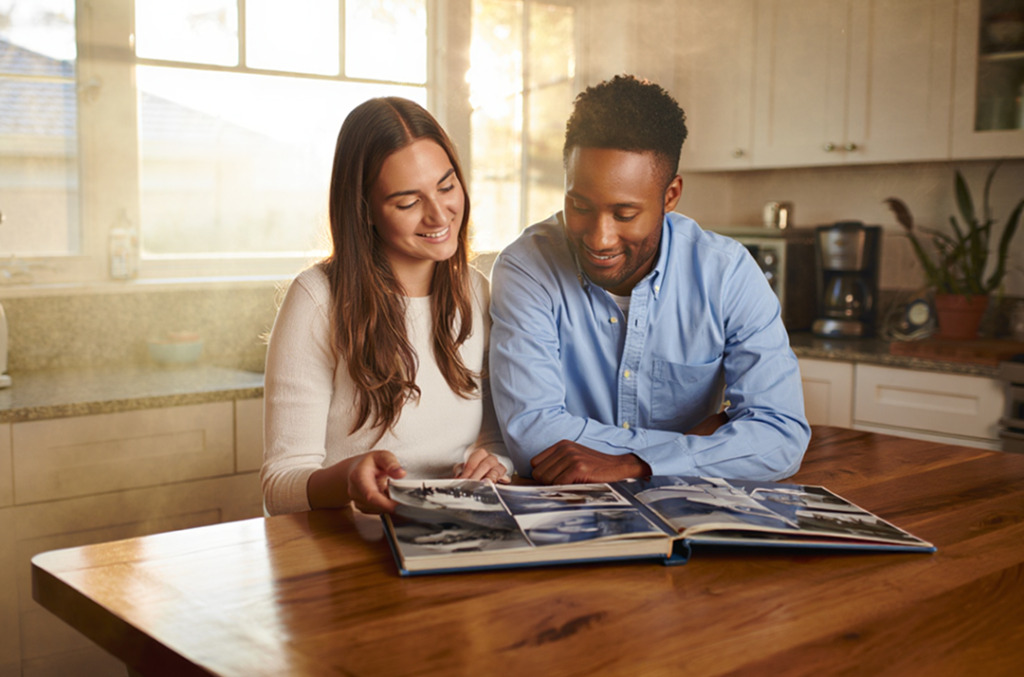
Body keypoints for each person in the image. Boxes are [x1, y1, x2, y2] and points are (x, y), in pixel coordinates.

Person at [488, 75, 809, 485]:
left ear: (670, 195)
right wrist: (700, 447)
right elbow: (533, 436)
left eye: (624, 214)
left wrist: (636, 465)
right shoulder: (526, 267)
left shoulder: (727, 273)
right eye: (580, 206)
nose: (599, 237)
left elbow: (781, 437)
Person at [261, 97, 511, 516]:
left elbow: (494, 441)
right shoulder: (317, 300)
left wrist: (495, 463)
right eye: (408, 202)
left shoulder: (476, 292)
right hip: (351, 548)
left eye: (447, 187)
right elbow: (278, 486)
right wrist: (347, 479)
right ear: (365, 211)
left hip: (455, 532)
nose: (439, 216)